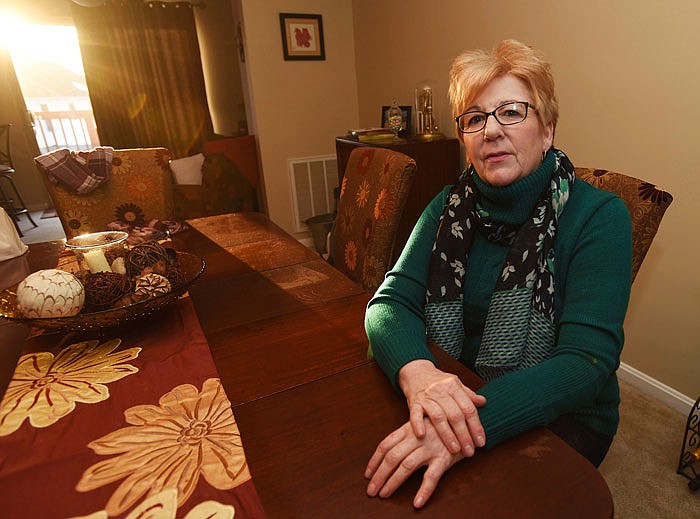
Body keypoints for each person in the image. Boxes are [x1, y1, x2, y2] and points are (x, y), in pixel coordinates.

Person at [363, 39, 633, 509]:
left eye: (511, 111)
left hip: (565, 413)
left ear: (547, 130)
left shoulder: (599, 216)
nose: (491, 131)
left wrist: (464, 427)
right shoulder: (445, 207)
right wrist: (420, 372)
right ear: (465, 139)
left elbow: (585, 364)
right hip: (456, 383)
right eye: (475, 118)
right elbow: (389, 305)